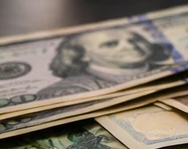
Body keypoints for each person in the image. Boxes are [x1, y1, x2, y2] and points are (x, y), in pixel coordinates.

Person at [36, 28, 173, 99]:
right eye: (111, 44)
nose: (130, 46)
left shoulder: (175, 70)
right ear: (82, 55)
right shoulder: (66, 91)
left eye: (134, 40)